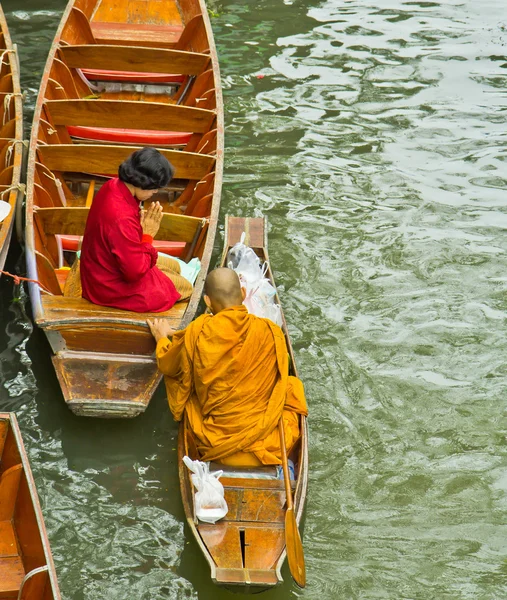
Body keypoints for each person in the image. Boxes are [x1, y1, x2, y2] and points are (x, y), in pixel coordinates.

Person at [147, 267, 308, 466]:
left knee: (189, 390)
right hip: (271, 443)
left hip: (215, 443)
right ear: (242, 293)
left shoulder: (198, 331)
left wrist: (162, 339)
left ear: (207, 301)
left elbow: (168, 365)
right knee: (291, 385)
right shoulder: (269, 331)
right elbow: (281, 372)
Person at [80, 147, 192, 312]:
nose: (155, 193)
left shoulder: (112, 185)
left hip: (99, 267)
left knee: (174, 266)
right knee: (186, 288)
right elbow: (133, 273)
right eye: (154, 188)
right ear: (142, 183)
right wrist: (147, 235)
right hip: (108, 286)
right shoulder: (122, 219)